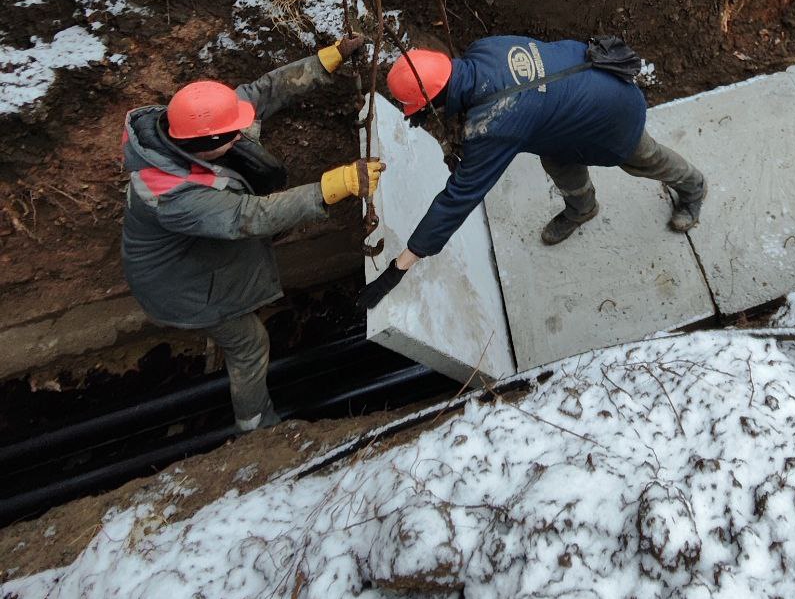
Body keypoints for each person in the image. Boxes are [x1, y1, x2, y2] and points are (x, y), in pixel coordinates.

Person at [121, 36, 383, 432]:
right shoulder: (174, 197)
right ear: (208, 145)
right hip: (182, 287)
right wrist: (334, 186)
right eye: (234, 134)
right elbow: (251, 216)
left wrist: (325, 61)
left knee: (240, 313)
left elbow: (262, 92)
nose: (242, 133)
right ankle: (256, 426)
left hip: (198, 258)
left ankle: (219, 352)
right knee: (249, 345)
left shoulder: (187, 125)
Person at [362, 36, 708, 310]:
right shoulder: (483, 50)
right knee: (557, 160)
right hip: (583, 90)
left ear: (433, 97)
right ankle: (583, 209)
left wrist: (399, 267)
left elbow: (458, 199)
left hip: (612, 111)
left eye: (421, 109)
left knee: (645, 158)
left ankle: (694, 188)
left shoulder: (494, 122)